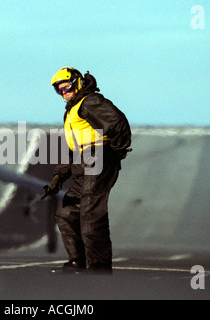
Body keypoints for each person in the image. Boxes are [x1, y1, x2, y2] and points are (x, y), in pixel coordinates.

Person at [47, 67, 132, 274]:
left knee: (90, 211)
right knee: (67, 212)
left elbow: (118, 123)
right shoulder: (72, 110)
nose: (63, 93)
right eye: (59, 91)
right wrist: (59, 175)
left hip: (98, 158)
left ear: (77, 83)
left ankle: (99, 265)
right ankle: (78, 260)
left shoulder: (90, 102)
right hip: (82, 162)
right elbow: (73, 146)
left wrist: (115, 151)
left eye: (66, 88)